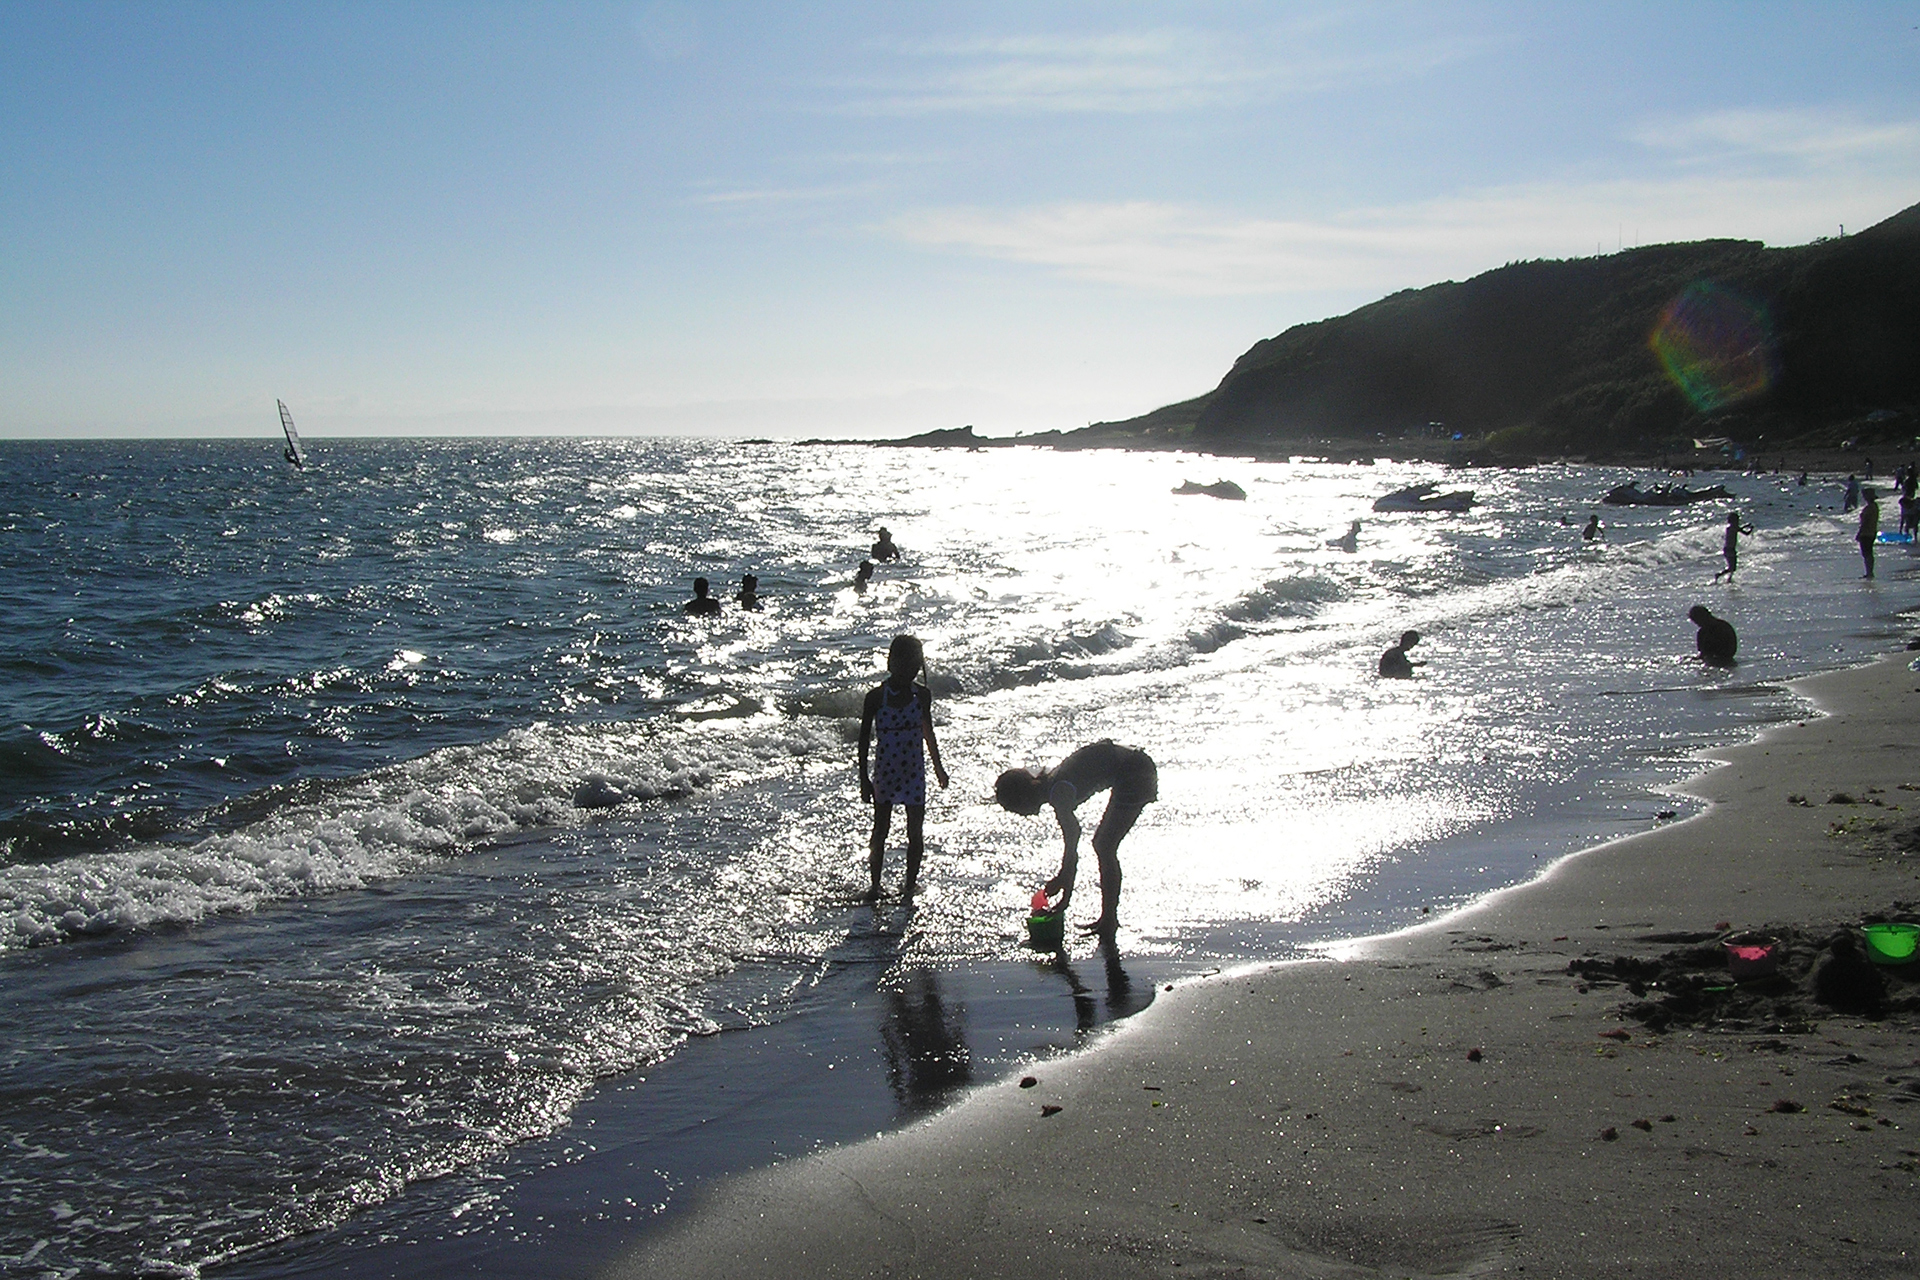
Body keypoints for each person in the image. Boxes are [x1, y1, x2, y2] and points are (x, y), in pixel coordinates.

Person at [994, 741, 1157, 936]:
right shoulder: (1053, 784)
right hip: (1132, 763)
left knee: (1104, 846)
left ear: (1023, 798)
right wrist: (1064, 879)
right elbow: (1072, 840)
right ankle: (1108, 919)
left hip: (1135, 771)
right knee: (1103, 845)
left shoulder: (1059, 792)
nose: (1020, 815)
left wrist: (1065, 887)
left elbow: (1072, 838)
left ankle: (1109, 921)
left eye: (1014, 809)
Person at [857, 635, 948, 900]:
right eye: (906, 664)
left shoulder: (922, 695)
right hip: (886, 771)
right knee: (880, 828)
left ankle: (910, 884)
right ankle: (875, 885)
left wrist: (939, 768)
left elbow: (928, 733)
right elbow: (863, 741)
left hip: (914, 772)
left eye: (916, 665)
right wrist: (864, 778)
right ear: (891, 662)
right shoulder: (875, 697)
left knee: (915, 831)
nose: (911, 670)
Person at [1711, 511, 1754, 583]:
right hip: (1730, 549)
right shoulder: (1734, 528)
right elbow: (1746, 533)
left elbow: (1741, 530)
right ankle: (1720, 575)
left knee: (1732, 567)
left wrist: (1746, 526)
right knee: (1732, 567)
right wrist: (1750, 528)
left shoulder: (1730, 528)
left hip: (1729, 549)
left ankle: (1728, 578)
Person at [1857, 488, 1880, 579]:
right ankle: (1869, 572)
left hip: (1866, 533)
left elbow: (1865, 522)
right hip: (1872, 531)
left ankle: (1869, 572)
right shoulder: (1875, 507)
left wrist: (1859, 533)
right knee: (1868, 553)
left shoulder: (1870, 508)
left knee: (1867, 553)